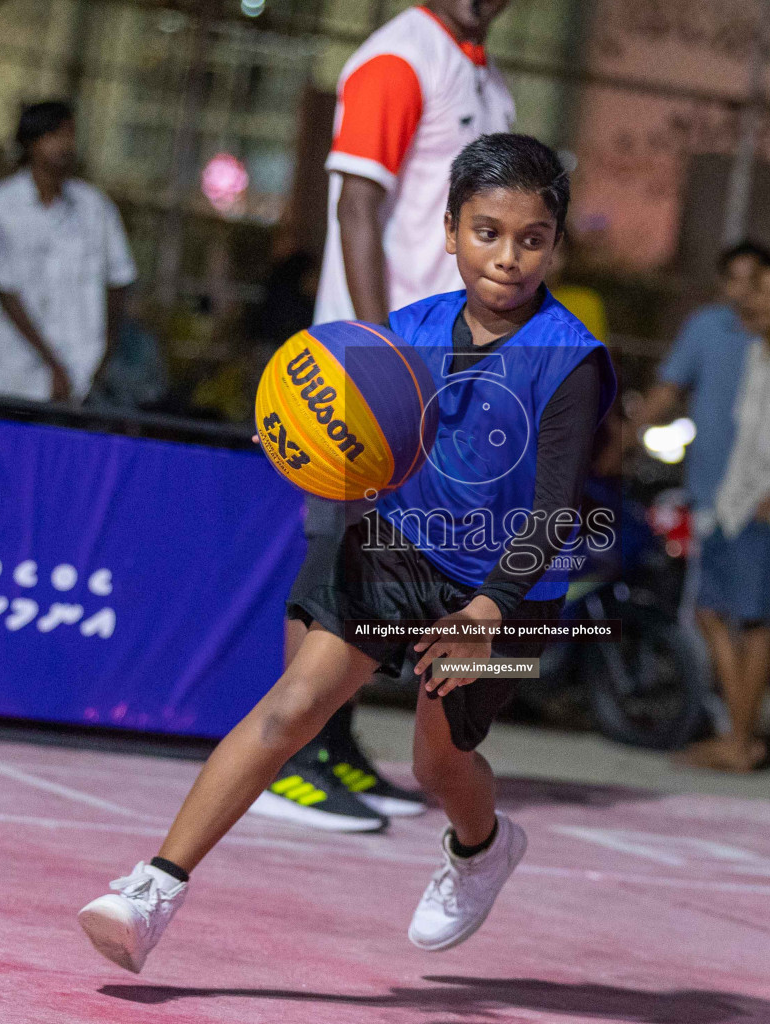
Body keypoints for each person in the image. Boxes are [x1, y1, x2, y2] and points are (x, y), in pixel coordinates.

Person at [78, 133, 614, 973]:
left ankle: (484, 847)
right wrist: (298, 437)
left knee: (438, 762)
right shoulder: (405, 334)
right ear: (448, 231)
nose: (508, 257)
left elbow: (554, 516)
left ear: (555, 244)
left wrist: (486, 610)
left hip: (510, 591)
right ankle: (150, 890)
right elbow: (344, 421)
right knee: (292, 707)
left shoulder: (570, 360)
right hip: (395, 551)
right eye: (486, 232)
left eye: (532, 238)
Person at [259, 0, 517, 832]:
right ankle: (288, 762)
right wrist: (387, 357)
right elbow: (355, 208)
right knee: (335, 553)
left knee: (378, 569)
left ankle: (332, 746)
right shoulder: (398, 57)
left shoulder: (484, 76)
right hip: (372, 373)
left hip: (444, 374)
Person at [673, 255, 770, 772]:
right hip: (734, 506)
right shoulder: (759, 355)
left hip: (765, 513)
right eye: (758, 290)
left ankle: (741, 742)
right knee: (714, 613)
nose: (762, 300)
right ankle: (740, 737)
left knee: (753, 626)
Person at [0, 100, 134, 405]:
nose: (65, 145)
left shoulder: (95, 207)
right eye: (54, 135)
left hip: (79, 377)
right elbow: (2, 291)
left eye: (69, 134)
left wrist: (103, 356)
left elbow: (118, 280)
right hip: (8, 374)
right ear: (30, 142)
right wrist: (53, 365)